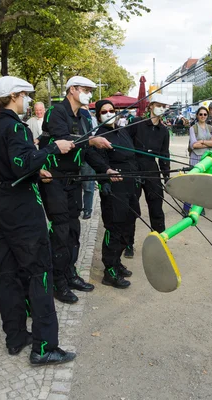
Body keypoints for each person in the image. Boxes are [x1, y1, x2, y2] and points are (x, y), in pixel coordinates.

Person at [0, 75, 76, 365]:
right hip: (23, 210)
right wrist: (51, 149)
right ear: (14, 96)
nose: (27, 101)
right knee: (39, 273)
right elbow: (21, 162)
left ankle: (16, 337)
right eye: (24, 95)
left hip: (0, 208)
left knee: (7, 275)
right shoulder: (15, 127)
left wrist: (32, 167)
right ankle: (44, 347)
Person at [39, 76, 115, 304]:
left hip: (74, 179)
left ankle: (69, 273)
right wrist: (91, 141)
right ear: (72, 89)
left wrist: (106, 170)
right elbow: (64, 141)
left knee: (73, 230)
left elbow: (88, 148)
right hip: (54, 179)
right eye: (86, 90)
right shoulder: (55, 112)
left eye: (91, 90)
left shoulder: (83, 115)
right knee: (61, 230)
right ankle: (57, 282)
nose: (89, 94)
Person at [93, 99, 137, 288]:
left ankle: (117, 262)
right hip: (114, 188)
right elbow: (96, 161)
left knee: (127, 226)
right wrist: (105, 179)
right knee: (115, 227)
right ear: (98, 115)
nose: (109, 113)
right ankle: (109, 270)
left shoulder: (122, 130)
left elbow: (132, 155)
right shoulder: (99, 137)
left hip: (130, 186)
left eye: (112, 110)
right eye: (104, 111)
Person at [126, 94, 172, 257]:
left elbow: (164, 154)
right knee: (132, 208)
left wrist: (166, 176)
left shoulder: (164, 130)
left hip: (152, 170)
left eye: (164, 106)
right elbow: (125, 143)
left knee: (156, 208)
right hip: (135, 168)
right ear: (150, 106)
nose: (161, 108)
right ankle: (128, 244)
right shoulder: (137, 124)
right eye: (158, 105)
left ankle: (160, 241)